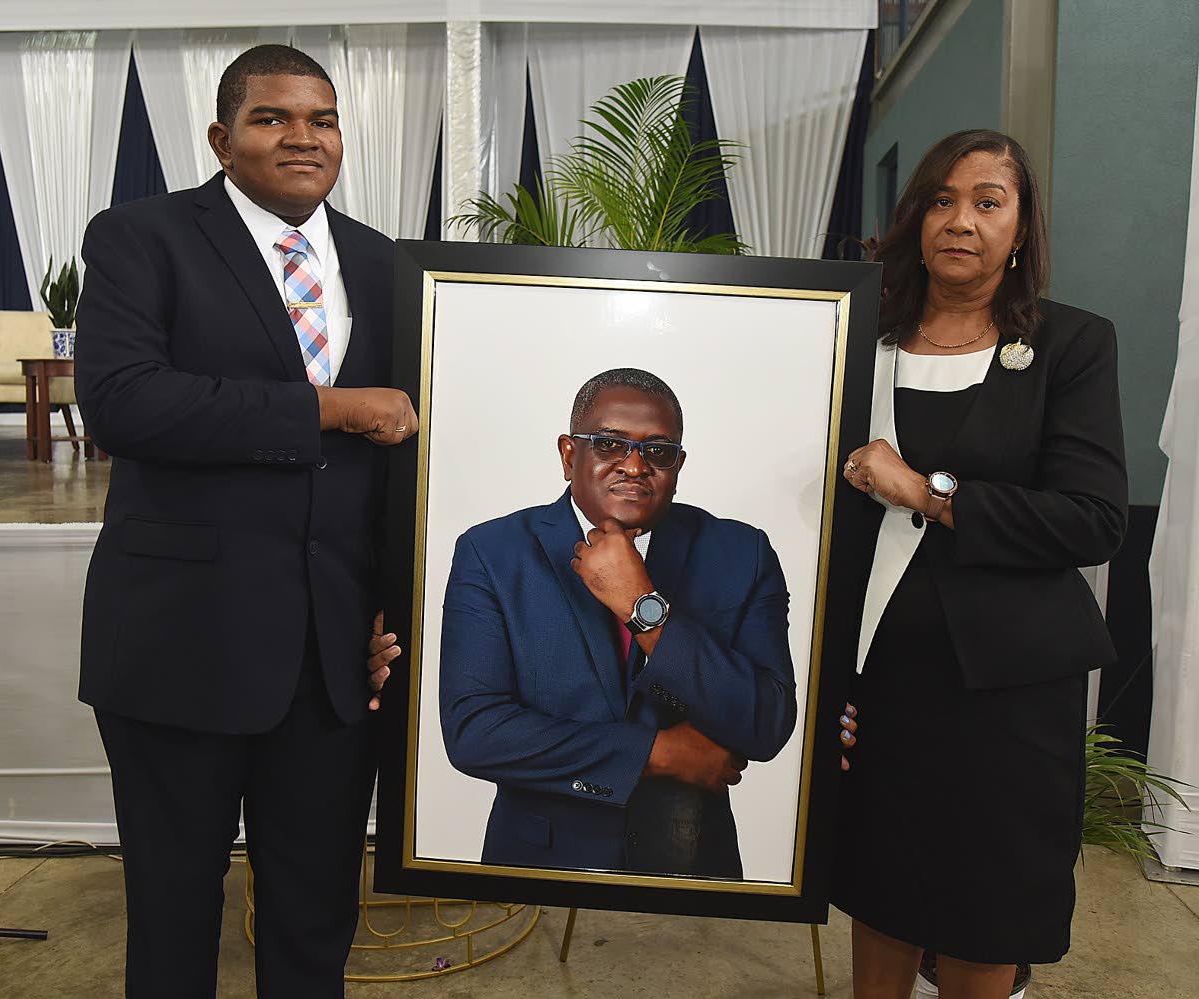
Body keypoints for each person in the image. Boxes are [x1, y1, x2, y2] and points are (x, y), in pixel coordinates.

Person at [74, 45, 415, 999]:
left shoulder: (387, 265)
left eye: (323, 119)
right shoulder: (141, 237)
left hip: (333, 659)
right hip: (182, 642)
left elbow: (404, 463)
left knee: (314, 921)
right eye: (272, 118)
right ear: (223, 138)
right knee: (175, 918)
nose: (302, 137)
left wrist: (395, 612)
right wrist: (331, 408)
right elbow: (126, 402)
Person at [831, 129, 1127, 999]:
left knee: (988, 893)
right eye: (941, 199)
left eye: (989, 202)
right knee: (881, 879)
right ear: (914, 218)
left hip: (1008, 687)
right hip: (878, 668)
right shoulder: (857, 339)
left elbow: (1094, 518)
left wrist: (927, 492)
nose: (962, 221)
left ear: (1022, 228)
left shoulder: (1070, 346)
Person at [429, 368, 796, 878]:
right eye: (608, 444)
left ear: (678, 465)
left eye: (658, 451)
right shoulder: (493, 553)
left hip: (692, 864)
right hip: (539, 867)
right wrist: (657, 754)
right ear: (567, 454)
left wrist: (642, 606)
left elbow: (768, 723)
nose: (634, 465)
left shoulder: (740, 552)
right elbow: (476, 732)